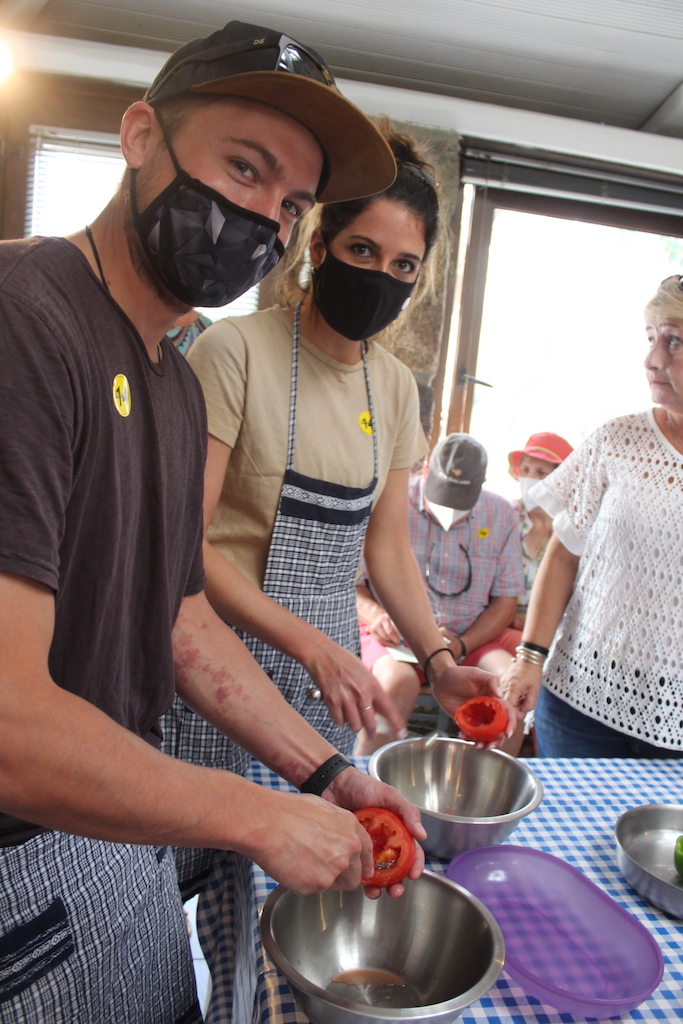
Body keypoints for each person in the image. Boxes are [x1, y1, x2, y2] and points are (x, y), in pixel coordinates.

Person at [0, 20, 429, 1022]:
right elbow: (10, 723)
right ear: (140, 133)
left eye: (288, 204)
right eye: (244, 167)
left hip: (117, 838)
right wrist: (251, 813)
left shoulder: (172, 382)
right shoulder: (25, 320)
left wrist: (324, 773)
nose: (263, 223)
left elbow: (180, 616)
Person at [163, 127, 515, 889]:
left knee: (299, 881)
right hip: (217, 668)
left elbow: (387, 550)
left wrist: (443, 664)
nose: (381, 278)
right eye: (362, 252)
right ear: (318, 245)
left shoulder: (393, 389)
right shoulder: (235, 353)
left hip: (323, 684)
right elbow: (181, 549)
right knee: (197, 875)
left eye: (403, 266)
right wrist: (314, 647)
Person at [501, 275, 683, 759]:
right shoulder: (616, 442)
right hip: (580, 697)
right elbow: (562, 554)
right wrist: (529, 658)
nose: (652, 360)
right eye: (651, 338)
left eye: (674, 341)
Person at [355, 433, 525, 755]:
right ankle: (364, 777)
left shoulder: (502, 514)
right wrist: (377, 615)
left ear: (482, 485)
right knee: (396, 683)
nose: (447, 512)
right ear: (426, 470)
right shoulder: (391, 501)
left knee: (510, 688)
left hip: (468, 636)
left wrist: (462, 645)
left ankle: (490, 786)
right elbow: (354, 584)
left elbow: (505, 603)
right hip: (394, 637)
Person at [508, 432, 573, 633]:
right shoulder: (507, 517)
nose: (530, 479)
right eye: (525, 470)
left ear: (561, 478)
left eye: (541, 473)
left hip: (553, 629)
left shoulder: (571, 527)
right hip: (503, 622)